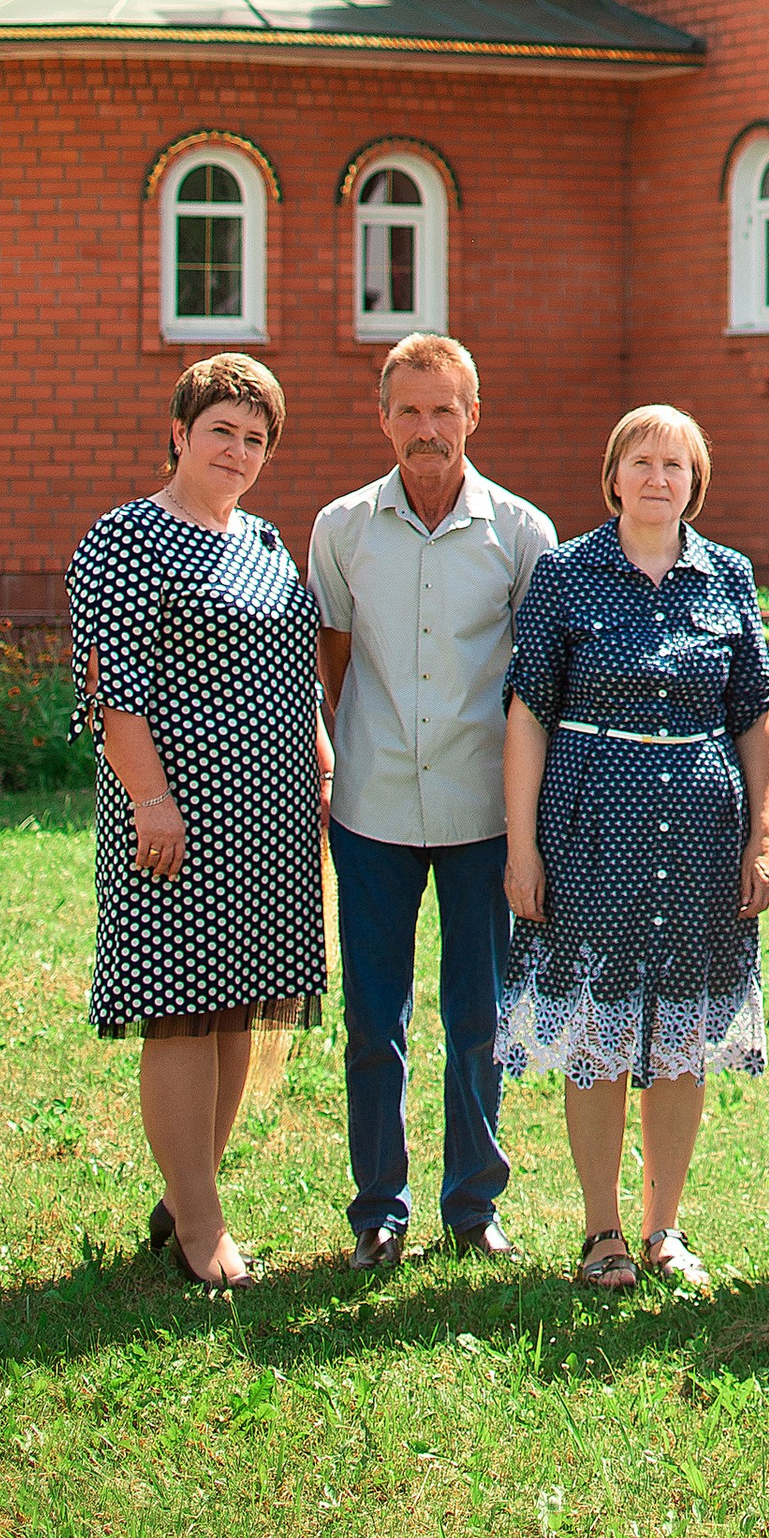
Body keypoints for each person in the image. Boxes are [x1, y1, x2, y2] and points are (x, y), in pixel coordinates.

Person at [499, 405, 769, 1291]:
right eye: (643, 460)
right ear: (613, 473)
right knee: (601, 1027)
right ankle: (601, 1231)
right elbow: (528, 716)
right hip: (589, 833)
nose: (659, 477)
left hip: (703, 838)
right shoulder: (566, 575)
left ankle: (665, 1228)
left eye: (677, 464)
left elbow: (756, 722)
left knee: (681, 1034)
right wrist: (522, 845)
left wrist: (762, 838)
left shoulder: (728, 578)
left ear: (696, 481)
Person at [66, 354, 328, 1291]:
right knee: (180, 1010)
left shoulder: (260, 542)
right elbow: (109, 687)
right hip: (174, 817)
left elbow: (297, 674)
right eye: (223, 430)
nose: (240, 450)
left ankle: (185, 1199)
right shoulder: (128, 537)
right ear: (180, 432)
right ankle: (201, 1226)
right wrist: (149, 796)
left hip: (273, 816)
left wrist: (324, 766)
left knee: (234, 1009)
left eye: (256, 439)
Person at [309, 333, 556, 1270]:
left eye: (443, 408)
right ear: (382, 418)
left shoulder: (524, 534)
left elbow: (538, 687)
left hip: (482, 813)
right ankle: (379, 1207)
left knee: (479, 1017)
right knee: (374, 1016)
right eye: (408, 410)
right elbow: (327, 664)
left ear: (473, 414)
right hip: (369, 807)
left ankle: (472, 1205)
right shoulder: (339, 529)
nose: (426, 428)